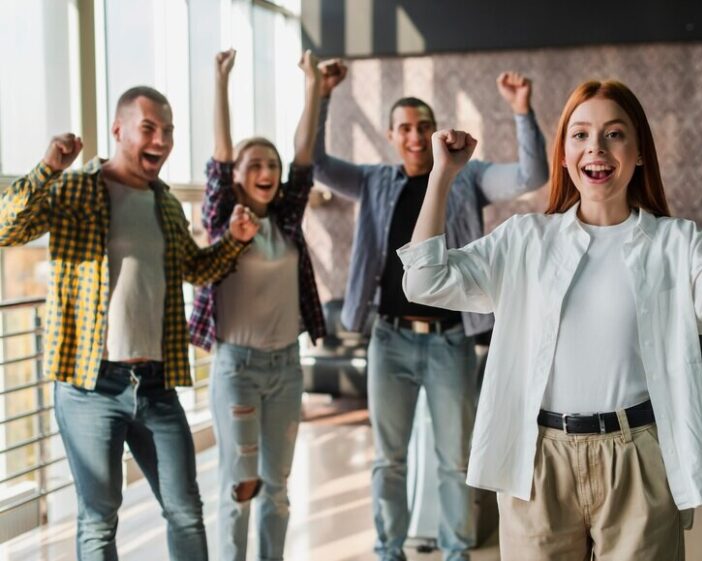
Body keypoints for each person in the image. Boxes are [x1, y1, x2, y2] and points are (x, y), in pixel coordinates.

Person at [399, 80, 702, 561]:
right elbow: (425, 280)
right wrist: (441, 177)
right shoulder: (525, 240)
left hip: (638, 456)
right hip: (537, 458)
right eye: (579, 135)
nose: (595, 148)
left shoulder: (676, 243)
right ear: (562, 154)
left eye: (614, 134)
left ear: (639, 152)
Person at [0, 87, 259, 561]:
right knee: (98, 520)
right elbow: (6, 227)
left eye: (168, 131)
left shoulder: (165, 204)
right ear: (118, 131)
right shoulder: (77, 187)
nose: (161, 140)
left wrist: (235, 242)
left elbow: (194, 269)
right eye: (149, 129)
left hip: (156, 385)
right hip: (89, 386)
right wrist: (48, 168)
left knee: (184, 509)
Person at [314, 60, 549, 561]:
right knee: (388, 461)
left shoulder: (469, 178)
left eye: (424, 126)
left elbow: (532, 175)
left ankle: (456, 552)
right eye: (405, 128)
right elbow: (314, 163)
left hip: (450, 341)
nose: (415, 136)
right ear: (391, 135)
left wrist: (522, 112)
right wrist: (323, 94)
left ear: (436, 132)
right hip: (390, 339)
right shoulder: (373, 181)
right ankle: (388, 551)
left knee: (454, 460)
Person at [187, 48, 325, 561]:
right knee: (241, 483)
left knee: (277, 486)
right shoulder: (226, 212)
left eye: (272, 164)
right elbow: (220, 158)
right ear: (238, 175)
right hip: (237, 368)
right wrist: (220, 80)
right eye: (255, 164)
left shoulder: (286, 217)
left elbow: (304, 153)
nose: (266, 170)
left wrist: (312, 86)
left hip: (286, 366)